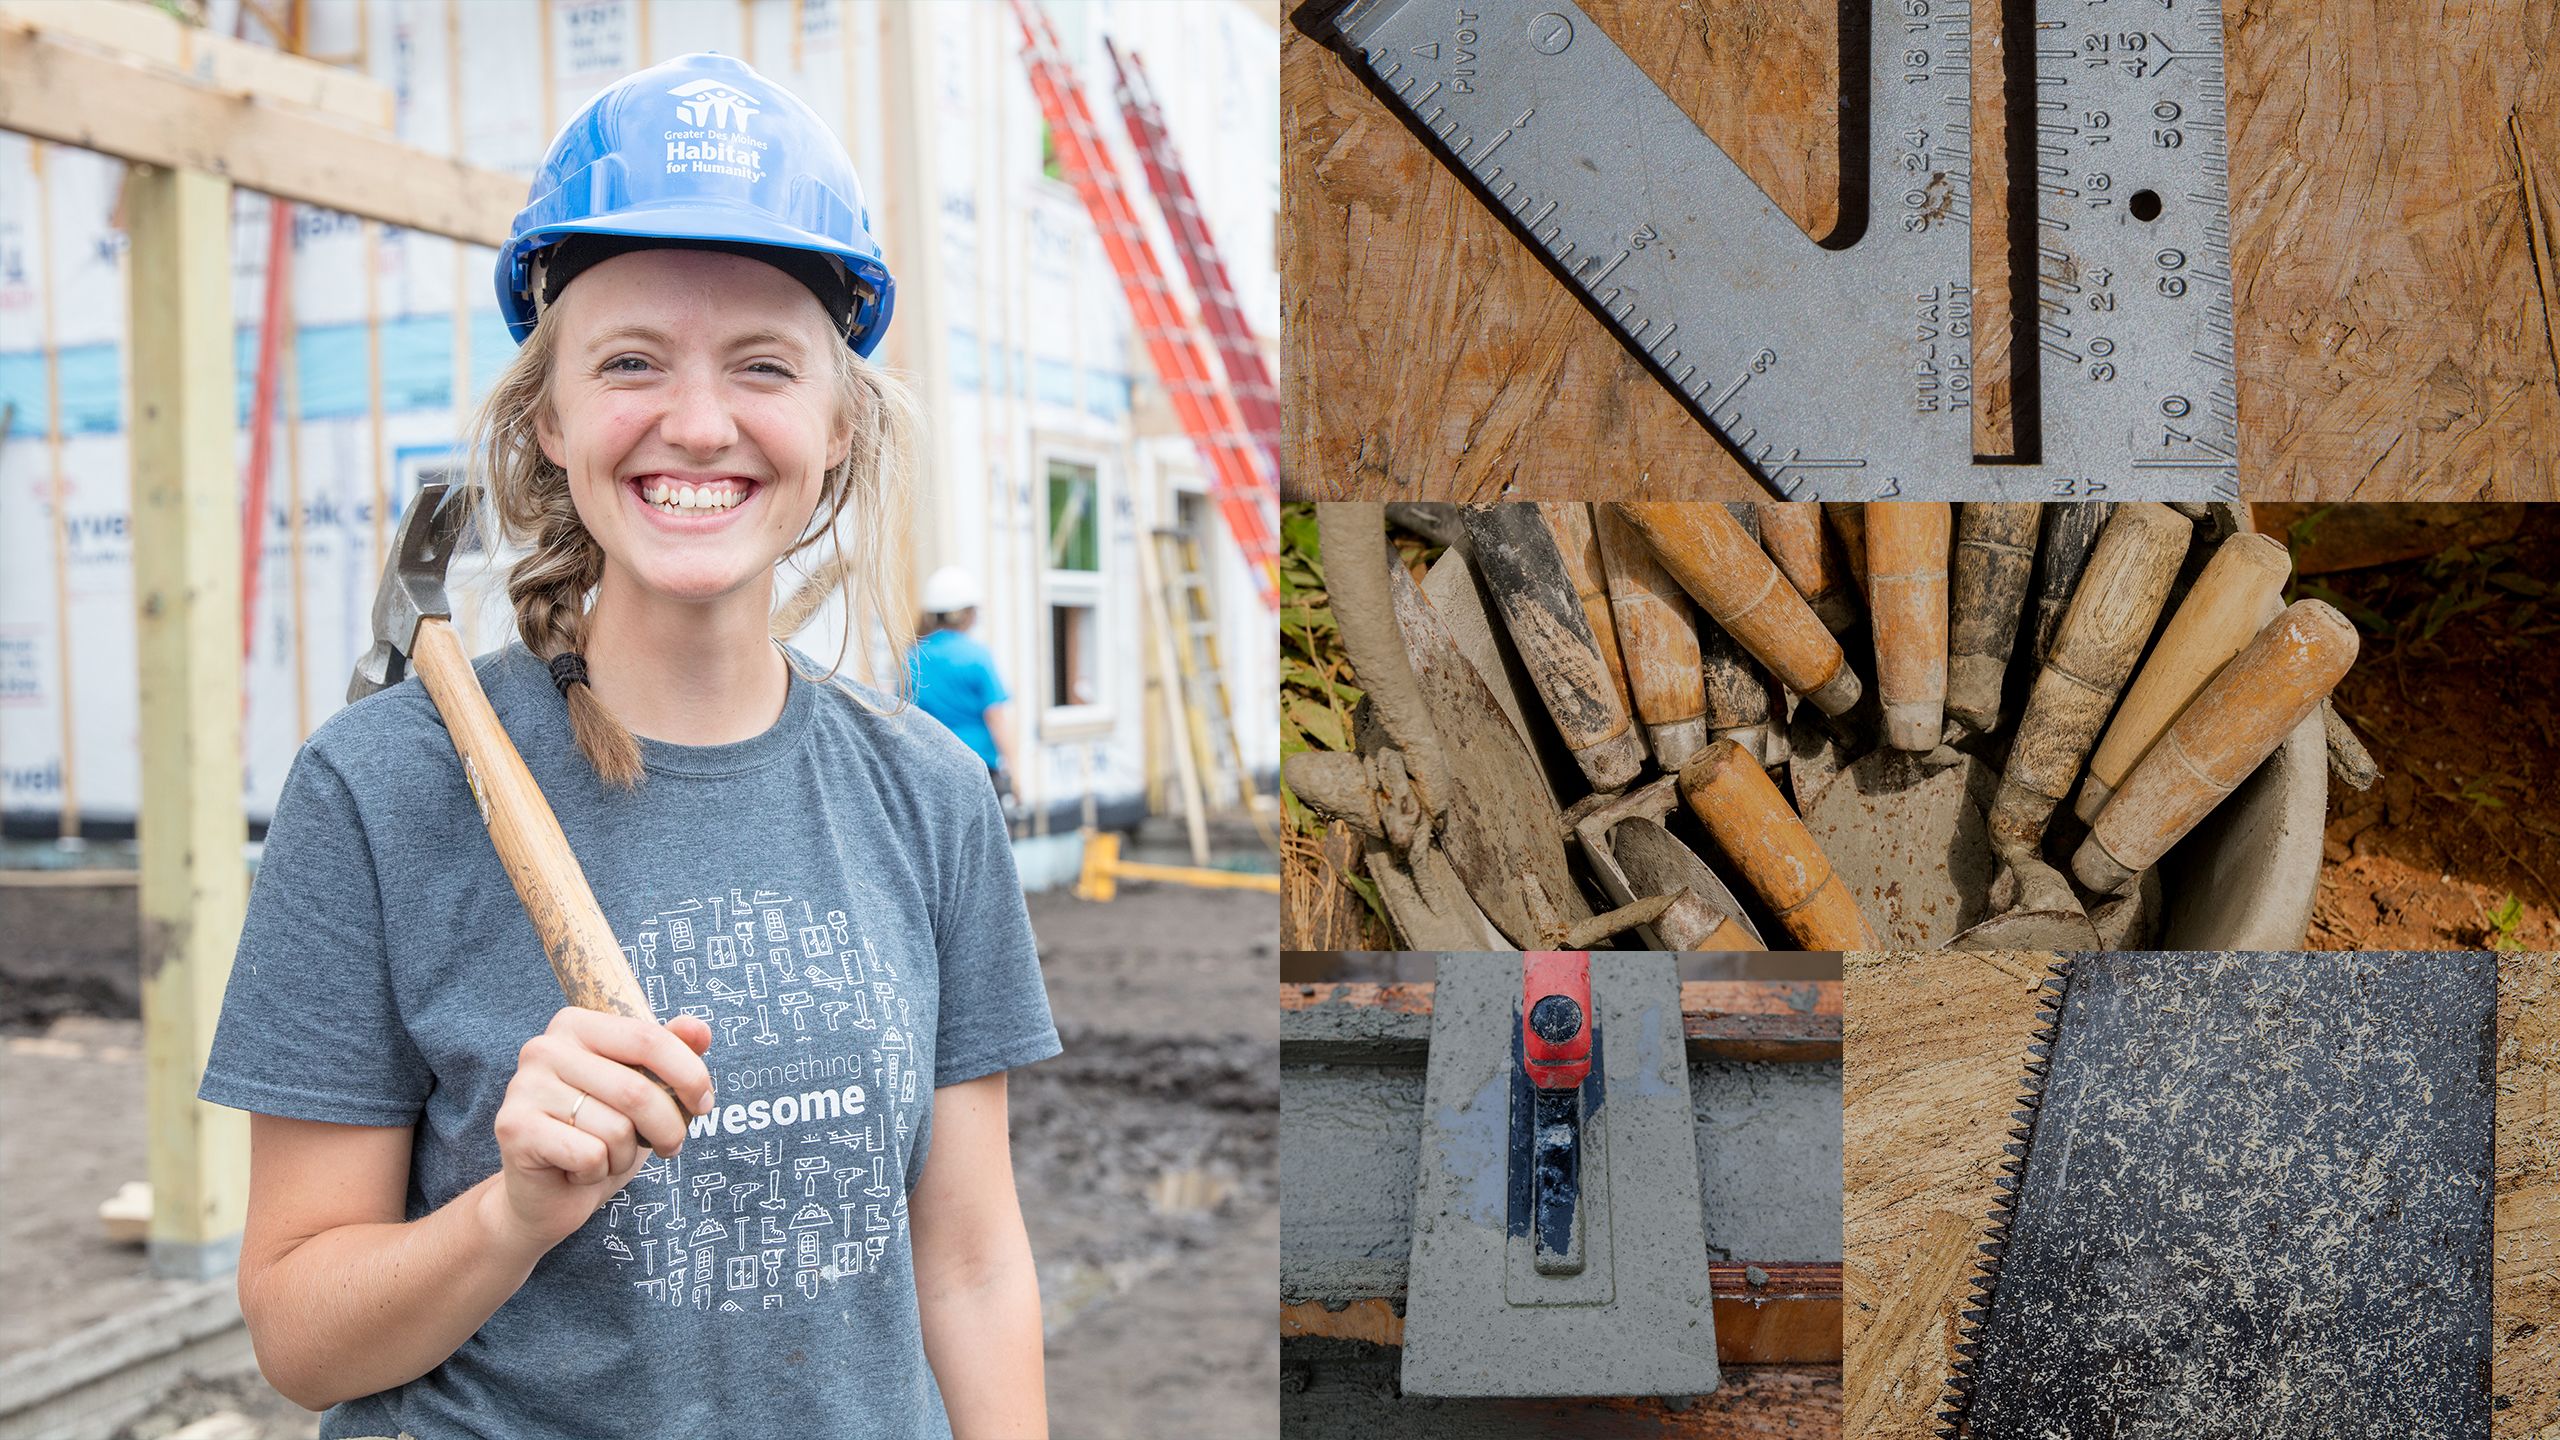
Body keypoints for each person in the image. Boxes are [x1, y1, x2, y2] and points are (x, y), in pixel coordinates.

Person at [195, 52, 1057, 1440]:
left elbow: (969, 1265)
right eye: (633, 362)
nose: (699, 423)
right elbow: (299, 1339)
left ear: (837, 428)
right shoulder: (380, 787)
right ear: (552, 413)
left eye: (764, 365)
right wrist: (512, 1212)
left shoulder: (933, 798)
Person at [908, 566, 1015, 798]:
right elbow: (996, 718)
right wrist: (1016, 775)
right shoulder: (977, 656)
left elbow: (904, 716)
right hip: (979, 772)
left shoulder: (913, 658)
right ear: (965, 614)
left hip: (931, 772)